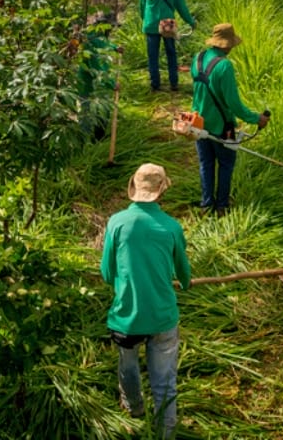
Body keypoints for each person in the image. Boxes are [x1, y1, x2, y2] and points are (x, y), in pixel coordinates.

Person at [101, 163, 192, 439]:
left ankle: (134, 407)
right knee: (164, 382)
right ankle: (166, 431)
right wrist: (183, 282)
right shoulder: (172, 227)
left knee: (128, 368)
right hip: (162, 316)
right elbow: (184, 274)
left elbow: (107, 273)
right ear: (162, 191)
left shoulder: (117, 223)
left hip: (126, 316)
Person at [190, 23, 269, 216]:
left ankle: (206, 204)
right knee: (226, 164)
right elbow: (234, 104)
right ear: (227, 45)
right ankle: (222, 206)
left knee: (205, 163)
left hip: (198, 122)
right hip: (222, 126)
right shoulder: (224, 66)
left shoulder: (198, 58)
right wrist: (256, 118)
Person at [138, 0, 197, 92]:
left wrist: (145, 20)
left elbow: (141, 5)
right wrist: (191, 22)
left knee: (153, 55)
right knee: (171, 53)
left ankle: (155, 84)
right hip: (168, 25)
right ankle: (174, 83)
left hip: (151, 24)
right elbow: (181, 7)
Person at [77, 11, 122, 141]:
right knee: (87, 112)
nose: (112, 29)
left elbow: (105, 45)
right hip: (88, 82)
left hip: (99, 83)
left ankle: (99, 138)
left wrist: (115, 47)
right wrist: (112, 84)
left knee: (102, 110)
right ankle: (84, 141)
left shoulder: (98, 35)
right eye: (110, 26)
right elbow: (97, 68)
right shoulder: (92, 40)